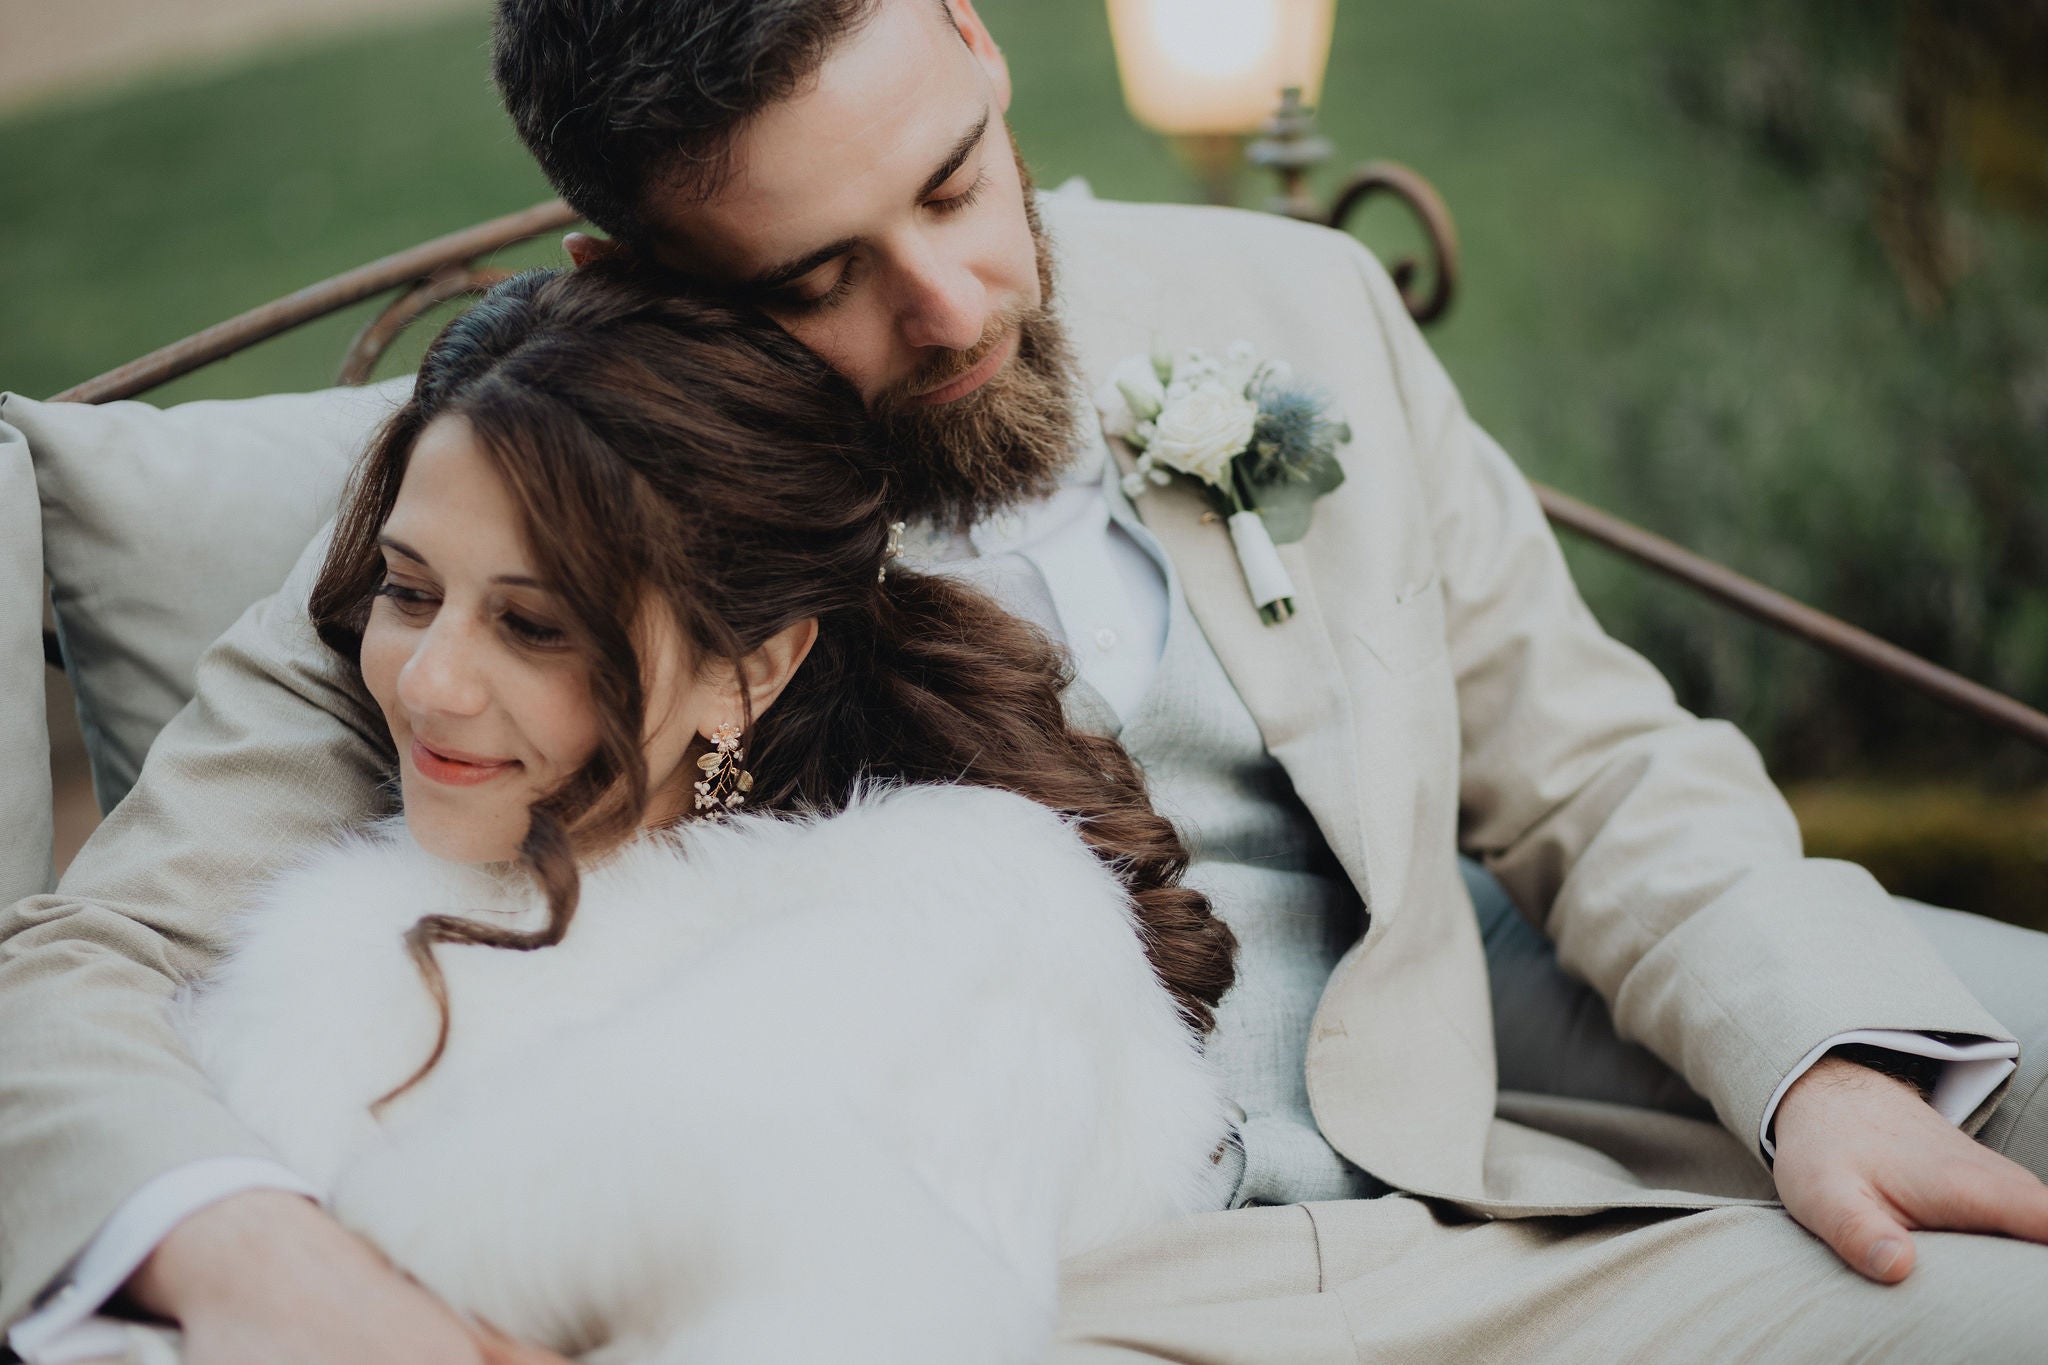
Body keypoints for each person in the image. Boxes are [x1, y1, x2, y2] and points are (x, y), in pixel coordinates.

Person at [3, 0, 2046, 1360]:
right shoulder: (527, 492)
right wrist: (256, 1253)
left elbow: (1593, 767)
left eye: (958, 178)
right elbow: (73, 973)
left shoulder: (1289, 296)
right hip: (1006, 1295)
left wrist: (1809, 1066)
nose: (959, 300)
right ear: (629, 263)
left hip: (1498, 1235)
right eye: (820, 277)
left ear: (975, 30)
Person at [170, 261, 1235, 1364]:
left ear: (746, 671)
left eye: (533, 628)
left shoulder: (950, 933)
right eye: (411, 592)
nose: (430, 681)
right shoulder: (322, 975)